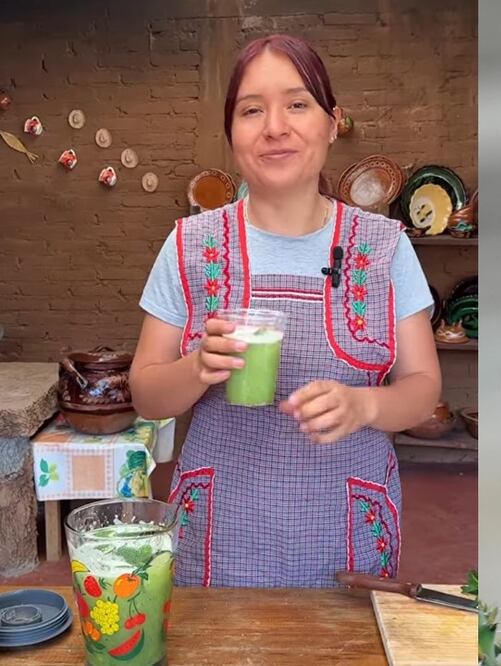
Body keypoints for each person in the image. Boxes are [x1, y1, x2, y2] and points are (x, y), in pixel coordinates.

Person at [129, 34, 441, 588]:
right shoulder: (189, 247)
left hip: (345, 535)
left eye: (297, 104)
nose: (275, 127)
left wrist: (365, 404)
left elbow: (422, 389)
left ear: (332, 123)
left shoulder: (384, 247)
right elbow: (147, 394)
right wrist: (198, 367)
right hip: (221, 535)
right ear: (230, 132)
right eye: (252, 110)